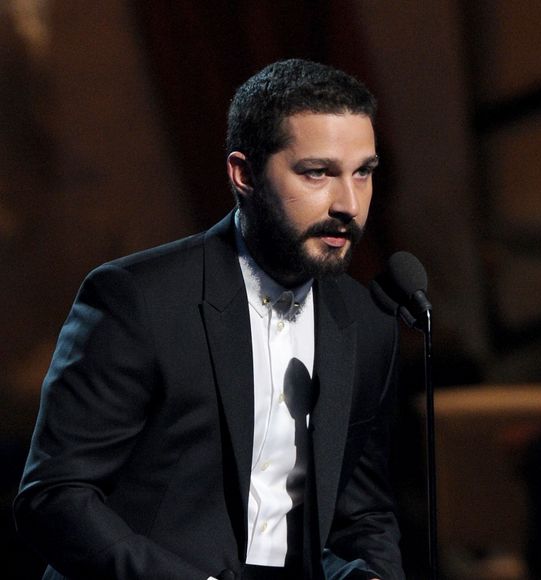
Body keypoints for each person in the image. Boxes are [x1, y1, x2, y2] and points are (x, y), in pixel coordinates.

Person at [14, 59, 405, 580]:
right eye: (318, 172)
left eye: (363, 172)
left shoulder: (365, 322)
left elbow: (362, 513)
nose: (349, 204)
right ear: (243, 174)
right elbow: (54, 497)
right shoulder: (139, 299)